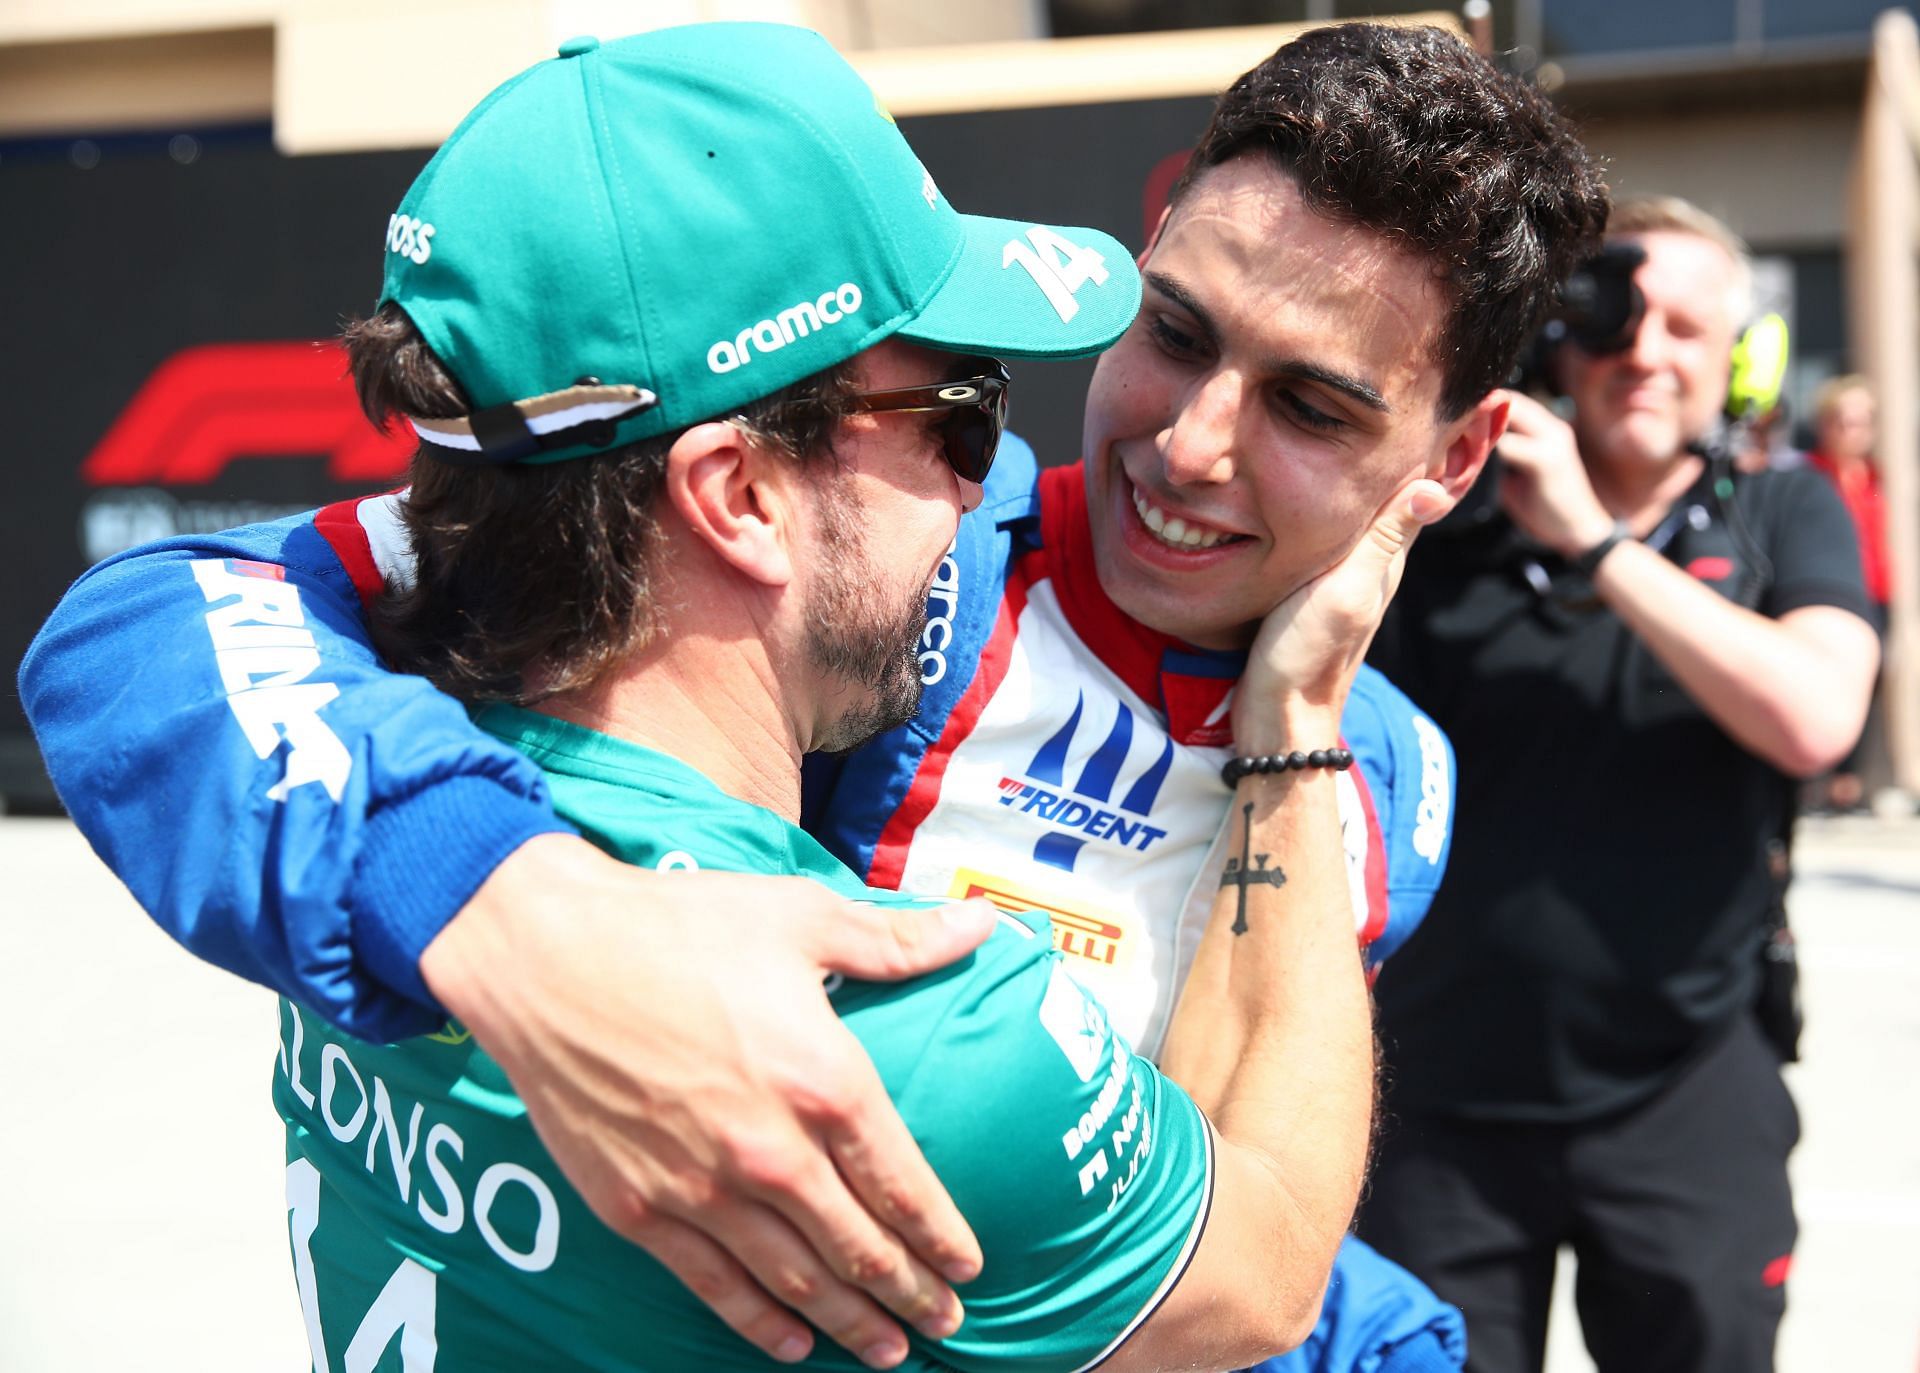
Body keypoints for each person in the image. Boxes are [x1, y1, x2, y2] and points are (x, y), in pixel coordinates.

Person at [21, 21, 1609, 1370]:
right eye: (1170, 331)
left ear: (1457, 456)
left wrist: (1299, 742)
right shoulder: (901, 570)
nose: (1189, 444)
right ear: (741, 499)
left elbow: (1235, 1244)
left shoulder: (1396, 784)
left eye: (1313, 406)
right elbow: (157, 617)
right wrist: (513, 915)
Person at [1360, 195, 1881, 1373]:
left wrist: (1598, 544)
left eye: (1687, 328)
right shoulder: (1442, 521)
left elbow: (1815, 717)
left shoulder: (1778, 510)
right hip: (1436, 1094)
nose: (1645, 352)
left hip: (1685, 1081)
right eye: (1614, 318)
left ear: (1744, 355)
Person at [1805, 374, 1890, 811]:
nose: (1850, 431)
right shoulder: (1809, 477)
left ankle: (1848, 781)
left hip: (1877, 590)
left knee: (1870, 684)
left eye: (1860, 422)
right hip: (1827, 590)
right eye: (1841, 421)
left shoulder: (1881, 477)